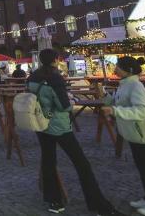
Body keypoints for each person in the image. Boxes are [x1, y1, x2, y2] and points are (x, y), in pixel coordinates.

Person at [28, 49, 120, 215]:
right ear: (55, 60)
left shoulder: (32, 77)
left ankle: (54, 201)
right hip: (59, 125)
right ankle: (98, 204)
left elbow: (34, 98)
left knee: (48, 161)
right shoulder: (55, 77)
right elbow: (63, 106)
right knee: (81, 163)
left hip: (41, 123)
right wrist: (71, 100)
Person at [103, 57, 145, 216]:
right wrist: (105, 97)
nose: (115, 69)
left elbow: (144, 110)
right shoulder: (125, 84)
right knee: (144, 168)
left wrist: (116, 112)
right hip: (134, 134)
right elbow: (119, 104)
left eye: (118, 67)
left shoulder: (135, 85)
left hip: (143, 134)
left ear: (128, 70)